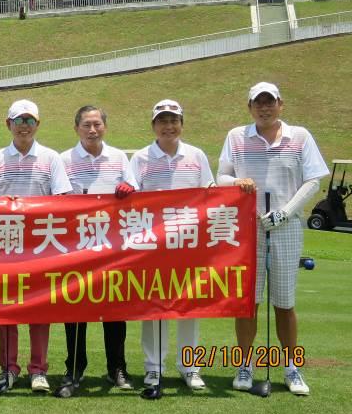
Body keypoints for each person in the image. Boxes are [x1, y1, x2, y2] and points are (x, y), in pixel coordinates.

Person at [217, 82, 328, 396]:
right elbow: (220, 176)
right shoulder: (236, 137)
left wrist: (286, 211)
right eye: (258, 103)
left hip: (286, 226)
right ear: (250, 107)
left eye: (270, 102)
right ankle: (244, 365)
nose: (264, 108)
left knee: (284, 303)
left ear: (281, 104)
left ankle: (291, 368)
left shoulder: (300, 136)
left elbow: (313, 181)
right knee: (247, 303)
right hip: (248, 228)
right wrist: (237, 181)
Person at [0, 99, 72, 394]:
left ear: (38, 125)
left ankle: (38, 370)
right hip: (5, 248)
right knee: (6, 311)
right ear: (8, 125)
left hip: (41, 249)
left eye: (29, 121)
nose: (24, 126)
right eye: (18, 121)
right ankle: (8, 369)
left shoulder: (51, 158)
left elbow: (62, 199)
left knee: (39, 312)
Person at [130, 99, 214, 391]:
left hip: (189, 244)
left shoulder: (196, 155)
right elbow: (131, 201)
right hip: (154, 245)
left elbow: (211, 195)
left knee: (190, 306)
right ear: (153, 126)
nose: (169, 126)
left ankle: (190, 367)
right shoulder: (141, 158)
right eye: (163, 121)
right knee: (155, 308)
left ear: (182, 124)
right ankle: (154, 368)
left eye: (174, 120)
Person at [56, 105, 136, 396]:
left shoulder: (118, 157)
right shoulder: (63, 159)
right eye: (86, 125)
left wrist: (129, 186)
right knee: (75, 308)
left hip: (112, 246)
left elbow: (134, 186)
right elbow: (58, 196)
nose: (92, 130)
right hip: (75, 246)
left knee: (114, 309)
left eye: (97, 124)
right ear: (76, 128)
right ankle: (75, 367)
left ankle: (117, 368)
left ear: (105, 126)